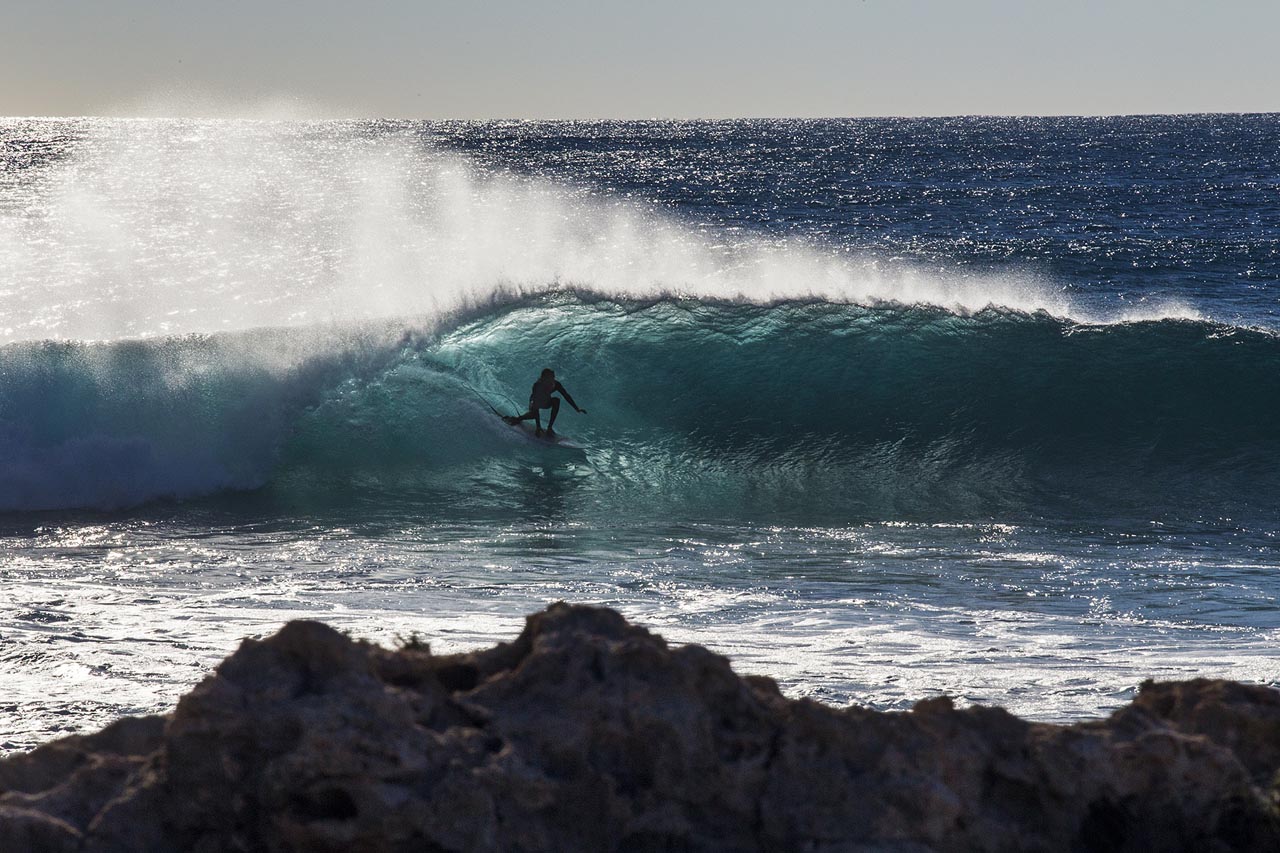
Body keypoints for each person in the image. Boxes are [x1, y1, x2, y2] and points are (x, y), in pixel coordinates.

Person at [504, 368, 586, 437]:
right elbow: (536, 404)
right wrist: (538, 427)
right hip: (534, 401)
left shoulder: (555, 384)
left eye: (553, 377)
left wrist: (576, 408)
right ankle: (518, 419)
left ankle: (549, 428)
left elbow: (566, 395)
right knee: (533, 414)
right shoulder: (537, 385)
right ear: (544, 378)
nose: (553, 379)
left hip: (546, 401)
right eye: (551, 377)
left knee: (556, 400)